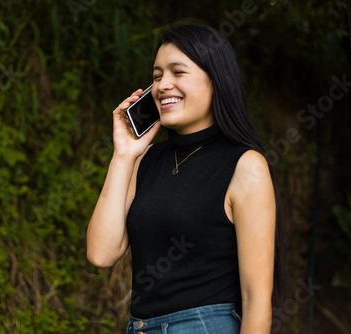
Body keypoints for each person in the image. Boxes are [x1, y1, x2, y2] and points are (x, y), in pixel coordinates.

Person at [87, 23, 284, 334]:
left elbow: (256, 299)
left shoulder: (245, 166)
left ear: (216, 80)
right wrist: (123, 156)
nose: (163, 84)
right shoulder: (147, 160)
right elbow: (101, 253)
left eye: (178, 73)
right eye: (156, 76)